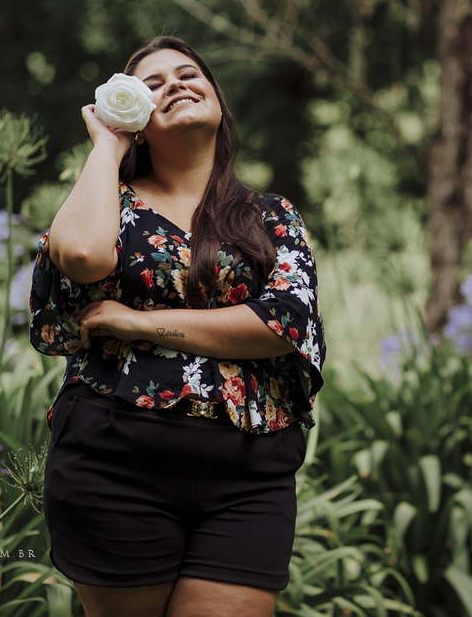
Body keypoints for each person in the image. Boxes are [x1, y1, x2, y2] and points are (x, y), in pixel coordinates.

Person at [28, 35, 324, 617]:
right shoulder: (110, 204)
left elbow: (282, 324)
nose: (177, 85)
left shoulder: (270, 216)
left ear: (217, 100)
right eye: (153, 84)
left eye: (189, 74)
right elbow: (84, 255)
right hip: (114, 467)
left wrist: (137, 324)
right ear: (134, 113)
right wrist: (108, 145)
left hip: (250, 473)